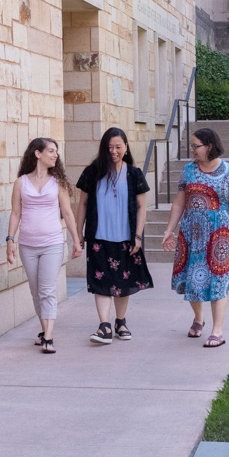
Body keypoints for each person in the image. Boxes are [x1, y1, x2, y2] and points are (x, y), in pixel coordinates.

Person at [161, 128, 229, 348]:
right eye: (191, 146)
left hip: (220, 234)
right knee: (192, 278)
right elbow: (179, 202)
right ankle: (199, 318)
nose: (192, 150)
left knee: (218, 279)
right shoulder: (188, 171)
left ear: (209, 146)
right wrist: (169, 230)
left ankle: (217, 331)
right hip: (192, 233)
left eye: (195, 146)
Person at [75, 127, 154, 344]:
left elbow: (141, 208)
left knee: (123, 282)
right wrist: (79, 234)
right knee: (101, 283)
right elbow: (82, 204)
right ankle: (104, 326)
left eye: (118, 147)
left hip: (126, 238)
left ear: (126, 148)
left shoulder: (134, 174)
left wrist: (138, 236)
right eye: (109, 147)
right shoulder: (92, 172)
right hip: (98, 237)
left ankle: (120, 321)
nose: (113, 151)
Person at [7, 138, 83, 354]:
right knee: (35, 290)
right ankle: (44, 330)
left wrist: (76, 241)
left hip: (52, 244)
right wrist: (10, 240)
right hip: (28, 245)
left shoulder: (57, 182)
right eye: (51, 151)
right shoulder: (21, 183)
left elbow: (67, 213)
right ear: (37, 153)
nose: (55, 154)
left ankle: (49, 336)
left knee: (47, 290)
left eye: (56, 151)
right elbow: (15, 213)